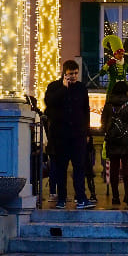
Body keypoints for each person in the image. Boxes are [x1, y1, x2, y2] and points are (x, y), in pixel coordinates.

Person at [44, 59, 94, 209]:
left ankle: (81, 198)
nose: (73, 76)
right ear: (64, 73)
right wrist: (63, 89)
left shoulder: (81, 88)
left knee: (79, 167)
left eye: (76, 73)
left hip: (78, 134)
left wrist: (87, 132)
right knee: (61, 168)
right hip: (60, 135)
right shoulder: (54, 87)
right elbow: (49, 102)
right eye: (70, 73)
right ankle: (62, 198)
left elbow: (86, 110)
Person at [101, 81, 128, 207]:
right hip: (127, 141)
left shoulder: (108, 104)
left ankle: (115, 197)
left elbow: (103, 123)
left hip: (112, 140)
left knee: (114, 168)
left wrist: (108, 133)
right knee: (127, 168)